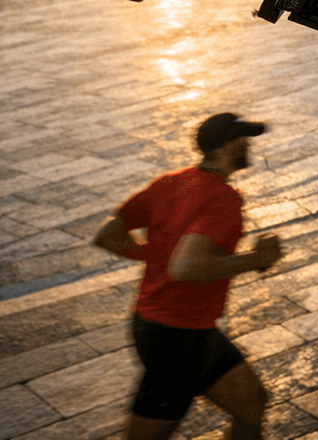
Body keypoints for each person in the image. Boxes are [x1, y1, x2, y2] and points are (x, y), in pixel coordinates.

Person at [92, 113, 283, 440]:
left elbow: (108, 235)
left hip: (175, 328)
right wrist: (257, 259)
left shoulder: (170, 182)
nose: (249, 144)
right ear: (225, 147)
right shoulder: (222, 198)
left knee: (251, 403)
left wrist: (154, 255)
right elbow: (187, 266)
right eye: (243, 138)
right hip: (174, 338)